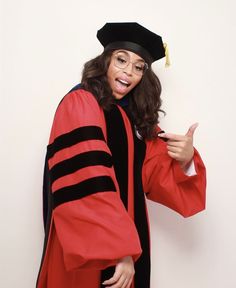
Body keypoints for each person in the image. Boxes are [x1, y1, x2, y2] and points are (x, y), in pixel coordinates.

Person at [36, 22, 206, 288]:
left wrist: (185, 160)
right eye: (121, 60)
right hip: (94, 250)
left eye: (139, 67)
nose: (129, 71)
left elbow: (153, 174)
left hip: (128, 245)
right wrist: (117, 249)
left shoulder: (134, 118)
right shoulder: (81, 102)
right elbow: (90, 180)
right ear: (105, 61)